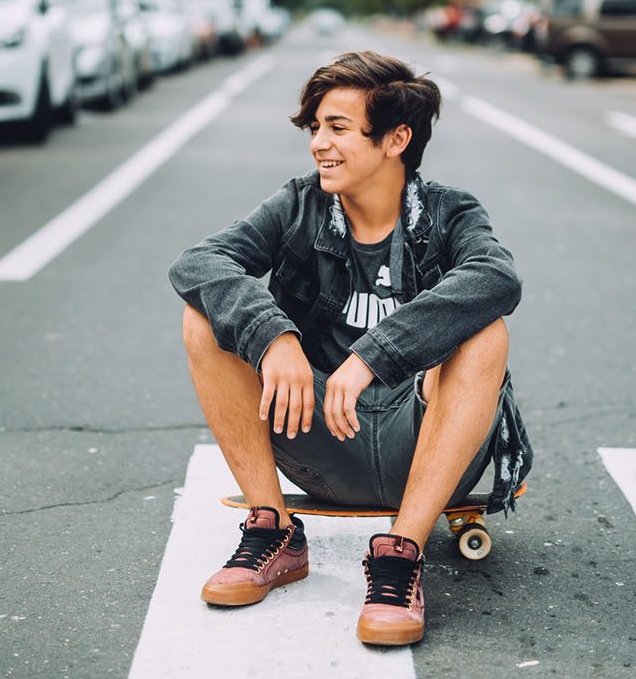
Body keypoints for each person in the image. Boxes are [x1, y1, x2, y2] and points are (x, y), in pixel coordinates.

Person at [169, 50, 530, 646]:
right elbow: (199, 263)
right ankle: (274, 532)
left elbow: (497, 279)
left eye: (337, 127)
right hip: (323, 440)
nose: (318, 143)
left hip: (428, 445)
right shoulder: (300, 206)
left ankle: (400, 556)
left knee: (485, 331)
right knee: (205, 318)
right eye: (315, 128)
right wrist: (273, 336)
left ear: (396, 139)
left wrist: (372, 355)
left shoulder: (448, 213)